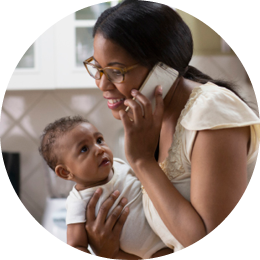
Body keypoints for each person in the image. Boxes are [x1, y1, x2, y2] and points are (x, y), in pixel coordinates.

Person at [80, 0, 260, 257]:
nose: (102, 84)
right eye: (98, 68)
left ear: (162, 70)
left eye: (116, 71)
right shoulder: (150, 120)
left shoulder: (212, 113)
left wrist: (141, 161)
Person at [38, 115, 173, 259]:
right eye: (84, 149)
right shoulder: (78, 201)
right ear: (65, 172)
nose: (99, 149)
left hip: (169, 231)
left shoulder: (119, 164)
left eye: (99, 140)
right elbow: (76, 246)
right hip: (142, 254)